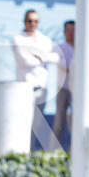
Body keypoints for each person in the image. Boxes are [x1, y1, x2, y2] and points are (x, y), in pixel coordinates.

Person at [12, 9, 60, 149]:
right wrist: (44, 56)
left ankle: (29, 150)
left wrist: (38, 55)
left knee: (37, 123)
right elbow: (26, 61)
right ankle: (21, 150)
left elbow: (56, 58)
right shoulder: (18, 39)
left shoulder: (44, 39)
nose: (33, 24)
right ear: (24, 21)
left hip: (41, 87)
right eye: (30, 21)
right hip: (25, 87)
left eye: (36, 21)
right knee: (23, 122)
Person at [51, 20, 75, 149]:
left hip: (78, 91)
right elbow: (61, 64)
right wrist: (73, 67)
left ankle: (74, 151)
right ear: (64, 32)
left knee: (76, 122)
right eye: (69, 30)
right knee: (59, 122)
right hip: (63, 88)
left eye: (73, 30)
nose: (71, 33)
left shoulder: (83, 48)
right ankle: (53, 152)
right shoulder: (59, 48)